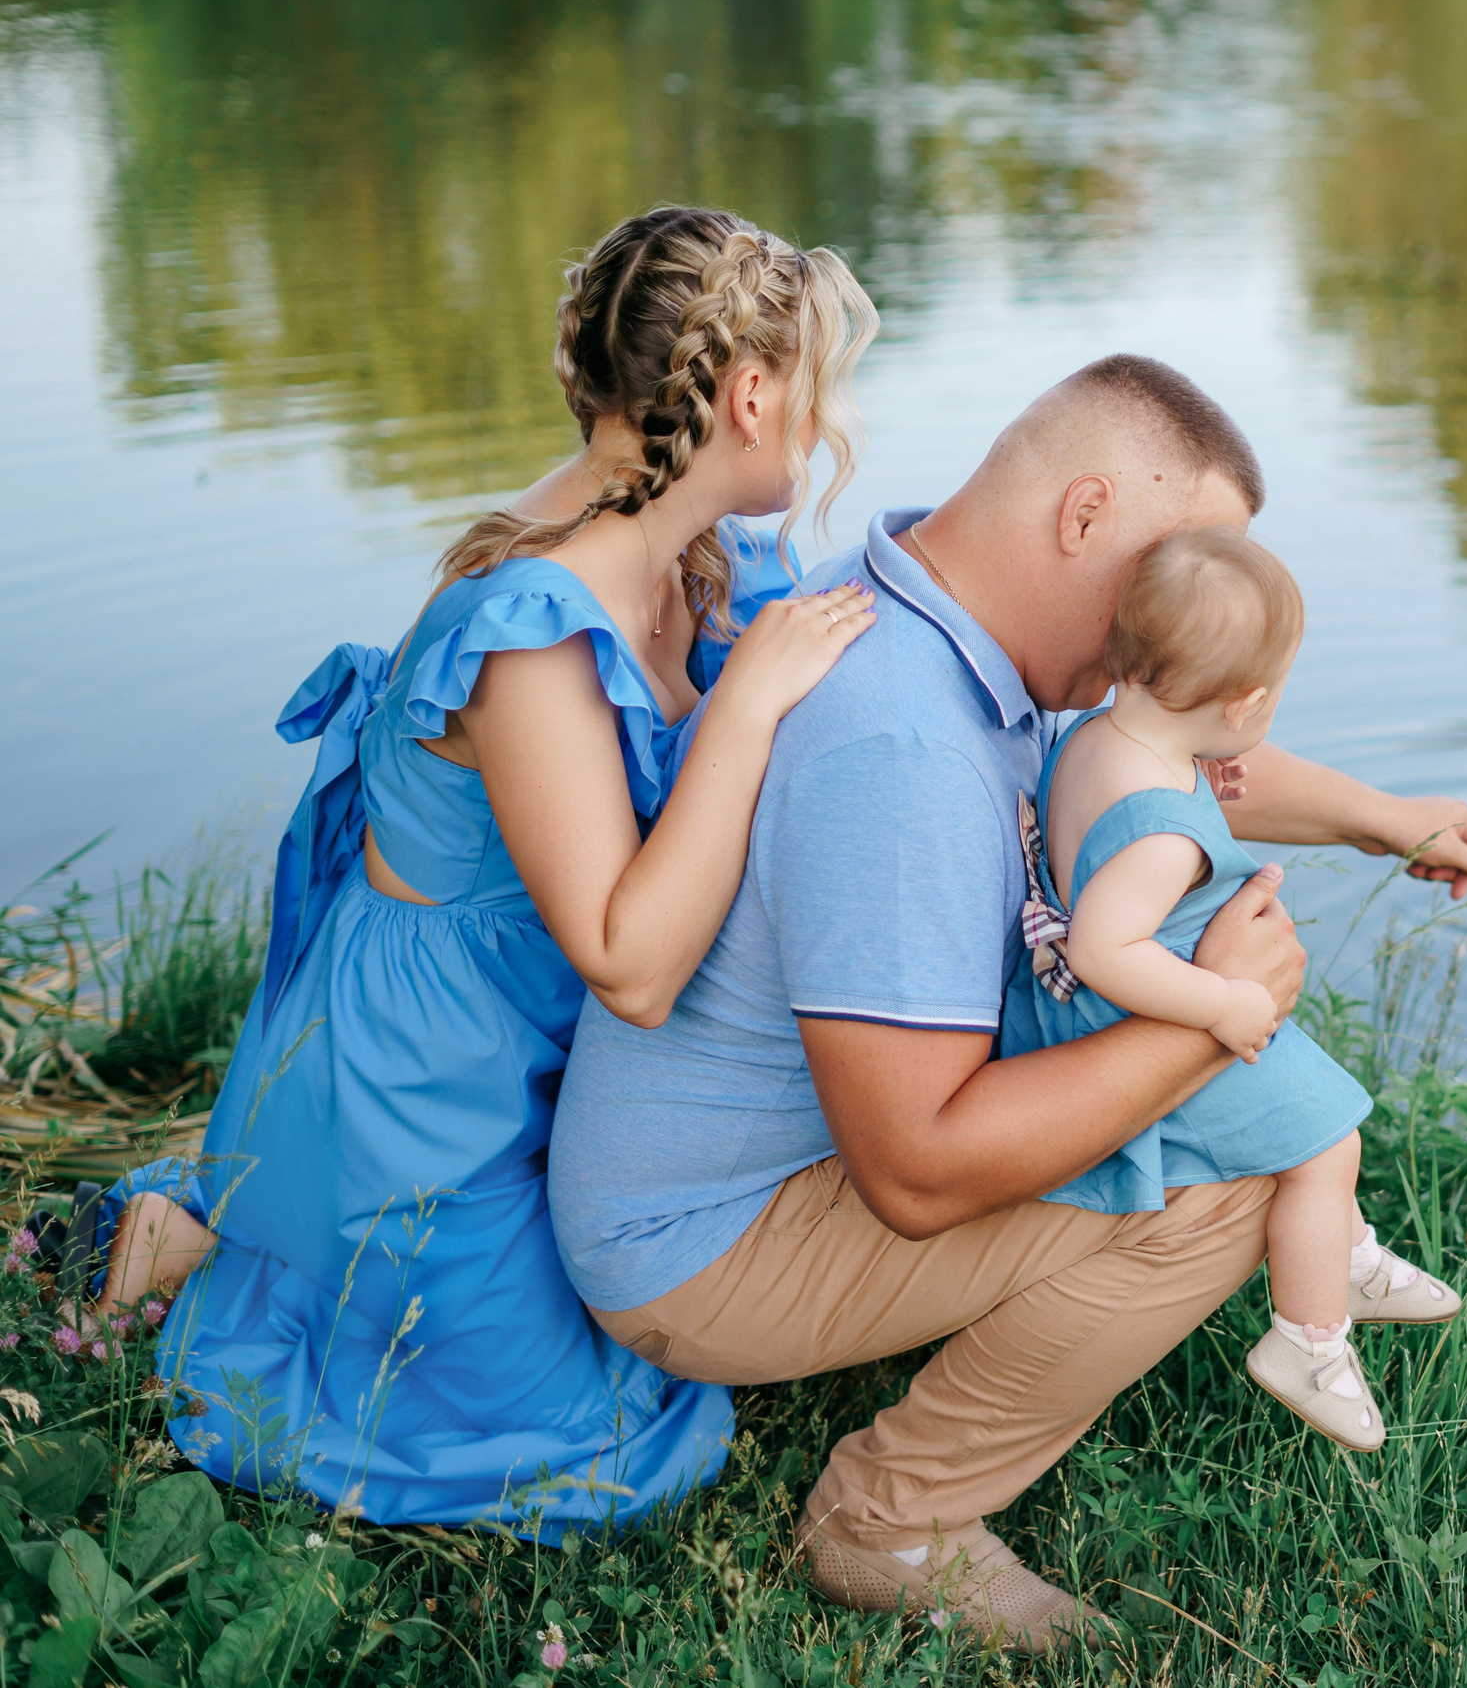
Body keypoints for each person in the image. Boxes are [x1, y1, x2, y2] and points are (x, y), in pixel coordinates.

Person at [547, 354, 1467, 1651]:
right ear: (1086, 515)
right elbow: (918, 1171)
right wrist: (1211, 1010)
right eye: (1184, 571)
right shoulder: (908, 749)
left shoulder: (931, 605)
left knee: (1194, 1097)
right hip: (702, 1246)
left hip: (721, 1159)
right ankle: (891, 1519)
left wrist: (1386, 820)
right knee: (1221, 1174)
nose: (1193, 623)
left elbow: (1162, 760)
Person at [99, 206, 883, 1535]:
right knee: (580, 1438)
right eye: (818, 394)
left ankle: (238, 1232)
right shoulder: (533, 626)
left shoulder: (677, 538)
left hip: (540, 1031)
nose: (825, 428)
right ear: (750, 394)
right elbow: (632, 966)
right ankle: (232, 1245)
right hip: (434, 1077)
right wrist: (744, 705)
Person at [1023, 524, 1461, 1455]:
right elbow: (1104, 948)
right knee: (1325, 1141)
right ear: (1248, 703)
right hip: (1151, 1010)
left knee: (1320, 1114)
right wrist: (1221, 1004)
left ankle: (1346, 1257)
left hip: (1160, 988)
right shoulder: (1162, 832)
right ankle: (1310, 1335)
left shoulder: (1099, 738)